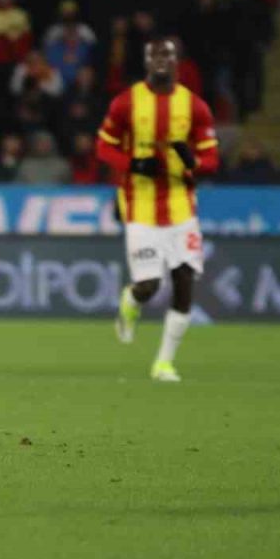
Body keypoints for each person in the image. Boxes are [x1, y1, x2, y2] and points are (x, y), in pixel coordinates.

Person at [95, 35, 219, 383]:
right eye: (154, 55)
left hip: (181, 207)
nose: (161, 60)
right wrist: (134, 164)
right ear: (146, 61)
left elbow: (211, 160)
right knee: (149, 285)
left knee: (184, 282)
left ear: (177, 61)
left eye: (167, 54)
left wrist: (192, 162)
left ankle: (164, 363)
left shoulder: (194, 107)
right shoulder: (126, 103)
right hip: (141, 207)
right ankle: (131, 300)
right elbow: (104, 147)